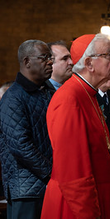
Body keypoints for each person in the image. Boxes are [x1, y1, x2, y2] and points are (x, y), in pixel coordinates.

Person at [41, 34, 110, 219]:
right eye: (109, 54)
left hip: (97, 198)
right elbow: (73, 172)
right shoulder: (69, 99)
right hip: (73, 208)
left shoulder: (87, 94)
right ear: (89, 63)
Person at [0, 39, 53, 219]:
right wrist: (51, 172)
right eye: (44, 57)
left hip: (47, 186)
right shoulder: (13, 98)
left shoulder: (47, 91)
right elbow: (21, 145)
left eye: (51, 57)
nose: (50, 62)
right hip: (26, 191)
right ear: (27, 62)